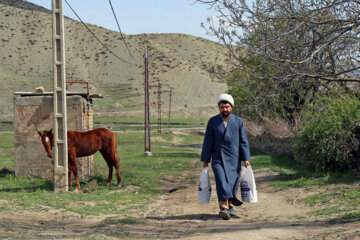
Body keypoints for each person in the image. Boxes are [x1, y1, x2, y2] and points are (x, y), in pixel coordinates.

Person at [201, 93, 251, 220]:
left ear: (231, 107)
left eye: (227, 107)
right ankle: (224, 208)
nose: (225, 110)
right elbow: (208, 141)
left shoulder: (238, 121)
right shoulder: (213, 121)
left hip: (234, 158)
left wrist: (246, 158)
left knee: (232, 183)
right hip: (218, 158)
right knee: (222, 182)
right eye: (222, 107)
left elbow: (243, 141)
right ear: (219, 107)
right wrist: (206, 160)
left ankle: (230, 205)